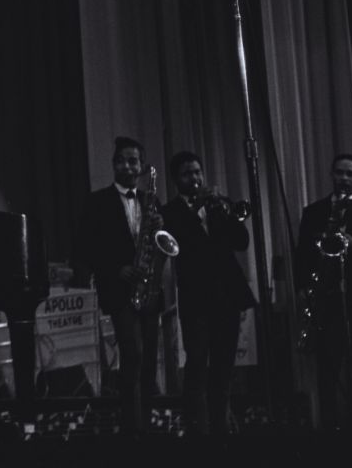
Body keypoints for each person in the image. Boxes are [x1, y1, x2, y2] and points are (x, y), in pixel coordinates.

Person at [74, 136, 165, 434]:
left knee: (149, 359)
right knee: (133, 354)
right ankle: (132, 427)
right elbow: (86, 246)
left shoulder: (150, 201)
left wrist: (159, 229)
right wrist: (116, 269)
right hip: (119, 288)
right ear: (114, 165)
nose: (128, 165)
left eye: (134, 161)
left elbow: (160, 243)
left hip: (148, 287)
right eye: (123, 160)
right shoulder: (97, 201)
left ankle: (147, 424)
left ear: (140, 167)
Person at [161, 150, 255, 435]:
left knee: (224, 366)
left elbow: (241, 242)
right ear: (177, 179)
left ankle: (221, 425)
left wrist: (225, 214)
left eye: (198, 172)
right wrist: (194, 211)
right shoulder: (170, 213)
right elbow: (178, 246)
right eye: (188, 173)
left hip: (226, 296)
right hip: (196, 300)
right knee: (198, 363)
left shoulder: (219, 206)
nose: (196, 178)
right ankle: (198, 428)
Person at [295, 153, 352, 430]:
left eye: (350, 173)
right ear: (331, 174)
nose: (344, 179)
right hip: (327, 299)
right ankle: (330, 431)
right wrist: (303, 288)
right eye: (340, 173)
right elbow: (301, 255)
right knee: (328, 371)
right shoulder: (313, 212)